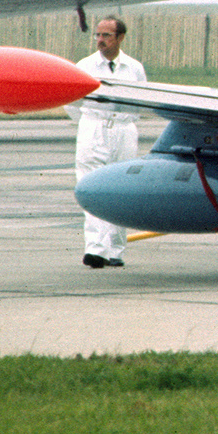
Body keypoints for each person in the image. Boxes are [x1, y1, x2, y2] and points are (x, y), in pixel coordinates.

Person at [69, 16, 147, 268]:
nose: (100, 40)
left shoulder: (133, 68)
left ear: (120, 38)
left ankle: (115, 250)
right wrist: (89, 123)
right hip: (93, 127)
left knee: (121, 188)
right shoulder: (85, 66)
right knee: (91, 185)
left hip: (123, 129)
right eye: (98, 35)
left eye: (106, 36)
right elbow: (73, 102)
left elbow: (141, 100)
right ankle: (95, 249)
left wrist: (123, 123)